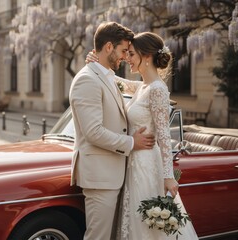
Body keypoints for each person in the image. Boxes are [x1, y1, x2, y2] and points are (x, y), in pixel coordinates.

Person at [87, 31, 198, 239]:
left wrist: (168, 176)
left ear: (146, 57)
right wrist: (97, 64)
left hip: (147, 166)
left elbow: (165, 137)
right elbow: (118, 83)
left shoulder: (157, 89)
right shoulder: (144, 86)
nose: (127, 59)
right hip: (134, 162)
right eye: (126, 54)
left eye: (131, 54)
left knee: (149, 227)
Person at [69, 22, 156, 240]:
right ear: (109, 47)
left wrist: (156, 83)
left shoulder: (104, 75)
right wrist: (131, 143)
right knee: (98, 237)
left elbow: (145, 87)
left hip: (114, 174)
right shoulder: (87, 80)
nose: (126, 57)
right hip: (100, 177)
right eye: (123, 51)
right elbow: (93, 132)